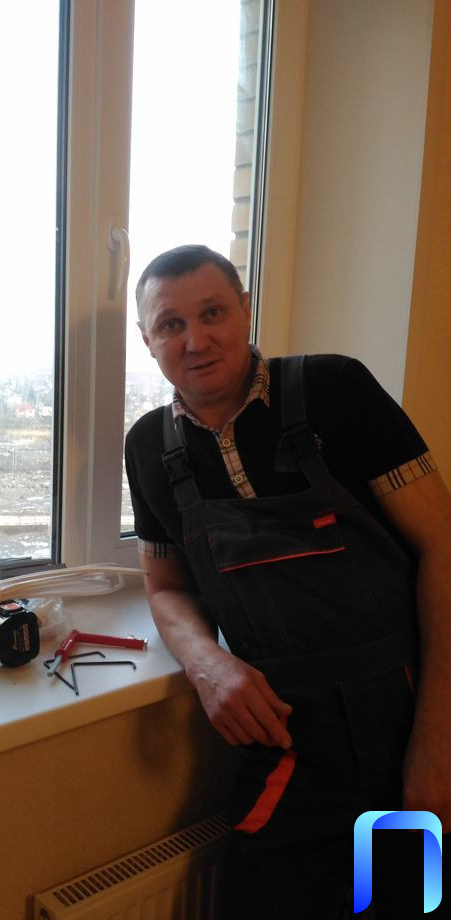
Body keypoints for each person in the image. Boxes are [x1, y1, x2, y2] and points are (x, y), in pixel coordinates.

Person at [124, 244, 450, 919]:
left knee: (408, 902)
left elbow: (444, 548)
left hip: (408, 718)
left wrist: (437, 748)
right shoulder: (149, 447)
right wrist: (207, 664)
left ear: (245, 309)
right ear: (147, 339)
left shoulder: (336, 390)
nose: (196, 341)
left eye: (212, 313)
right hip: (287, 740)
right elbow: (165, 587)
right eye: (171, 324)